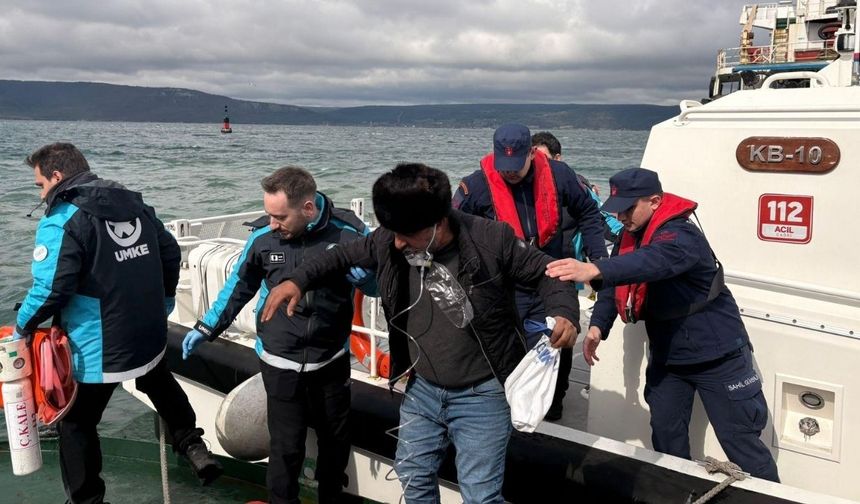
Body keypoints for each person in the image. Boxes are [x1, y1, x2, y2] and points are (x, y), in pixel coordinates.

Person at [259, 163, 580, 504]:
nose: (396, 243)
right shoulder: (389, 239)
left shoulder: (492, 238)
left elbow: (549, 273)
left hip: (483, 392)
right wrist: (297, 280)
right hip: (423, 388)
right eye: (392, 232)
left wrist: (565, 313)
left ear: (438, 223)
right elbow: (337, 257)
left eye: (406, 235)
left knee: (481, 495)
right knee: (412, 476)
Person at [14, 142, 221, 504]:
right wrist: (167, 299)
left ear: (57, 177)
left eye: (40, 185)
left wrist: (21, 329)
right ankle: (191, 442)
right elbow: (170, 251)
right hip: (148, 332)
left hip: (99, 348)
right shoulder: (135, 204)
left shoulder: (62, 220)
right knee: (156, 376)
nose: (42, 193)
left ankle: (87, 499)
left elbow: (52, 289)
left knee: (76, 423)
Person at [545, 167, 780, 482]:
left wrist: (593, 268)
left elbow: (651, 262)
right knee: (666, 437)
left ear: (655, 201)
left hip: (719, 357)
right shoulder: (632, 235)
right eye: (618, 210)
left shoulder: (681, 235)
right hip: (670, 359)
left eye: (629, 208)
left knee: (741, 442)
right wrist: (599, 326)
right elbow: (618, 282)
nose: (623, 217)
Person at [181, 166, 376, 504]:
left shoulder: (350, 234)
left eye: (280, 216)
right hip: (279, 361)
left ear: (308, 209)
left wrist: (366, 280)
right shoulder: (263, 238)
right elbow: (238, 287)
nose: (272, 223)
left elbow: (380, 286)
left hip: (330, 361)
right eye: (268, 214)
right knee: (285, 449)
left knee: (334, 445)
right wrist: (206, 328)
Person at [453, 123, 608, 421]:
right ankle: (506, 408)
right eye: (504, 166)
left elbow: (589, 212)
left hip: (549, 276)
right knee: (505, 348)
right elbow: (454, 230)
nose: (509, 172)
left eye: (516, 166)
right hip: (505, 283)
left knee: (558, 340)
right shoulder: (475, 186)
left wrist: (598, 259)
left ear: (531, 154)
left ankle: (553, 409)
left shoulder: (560, 175)